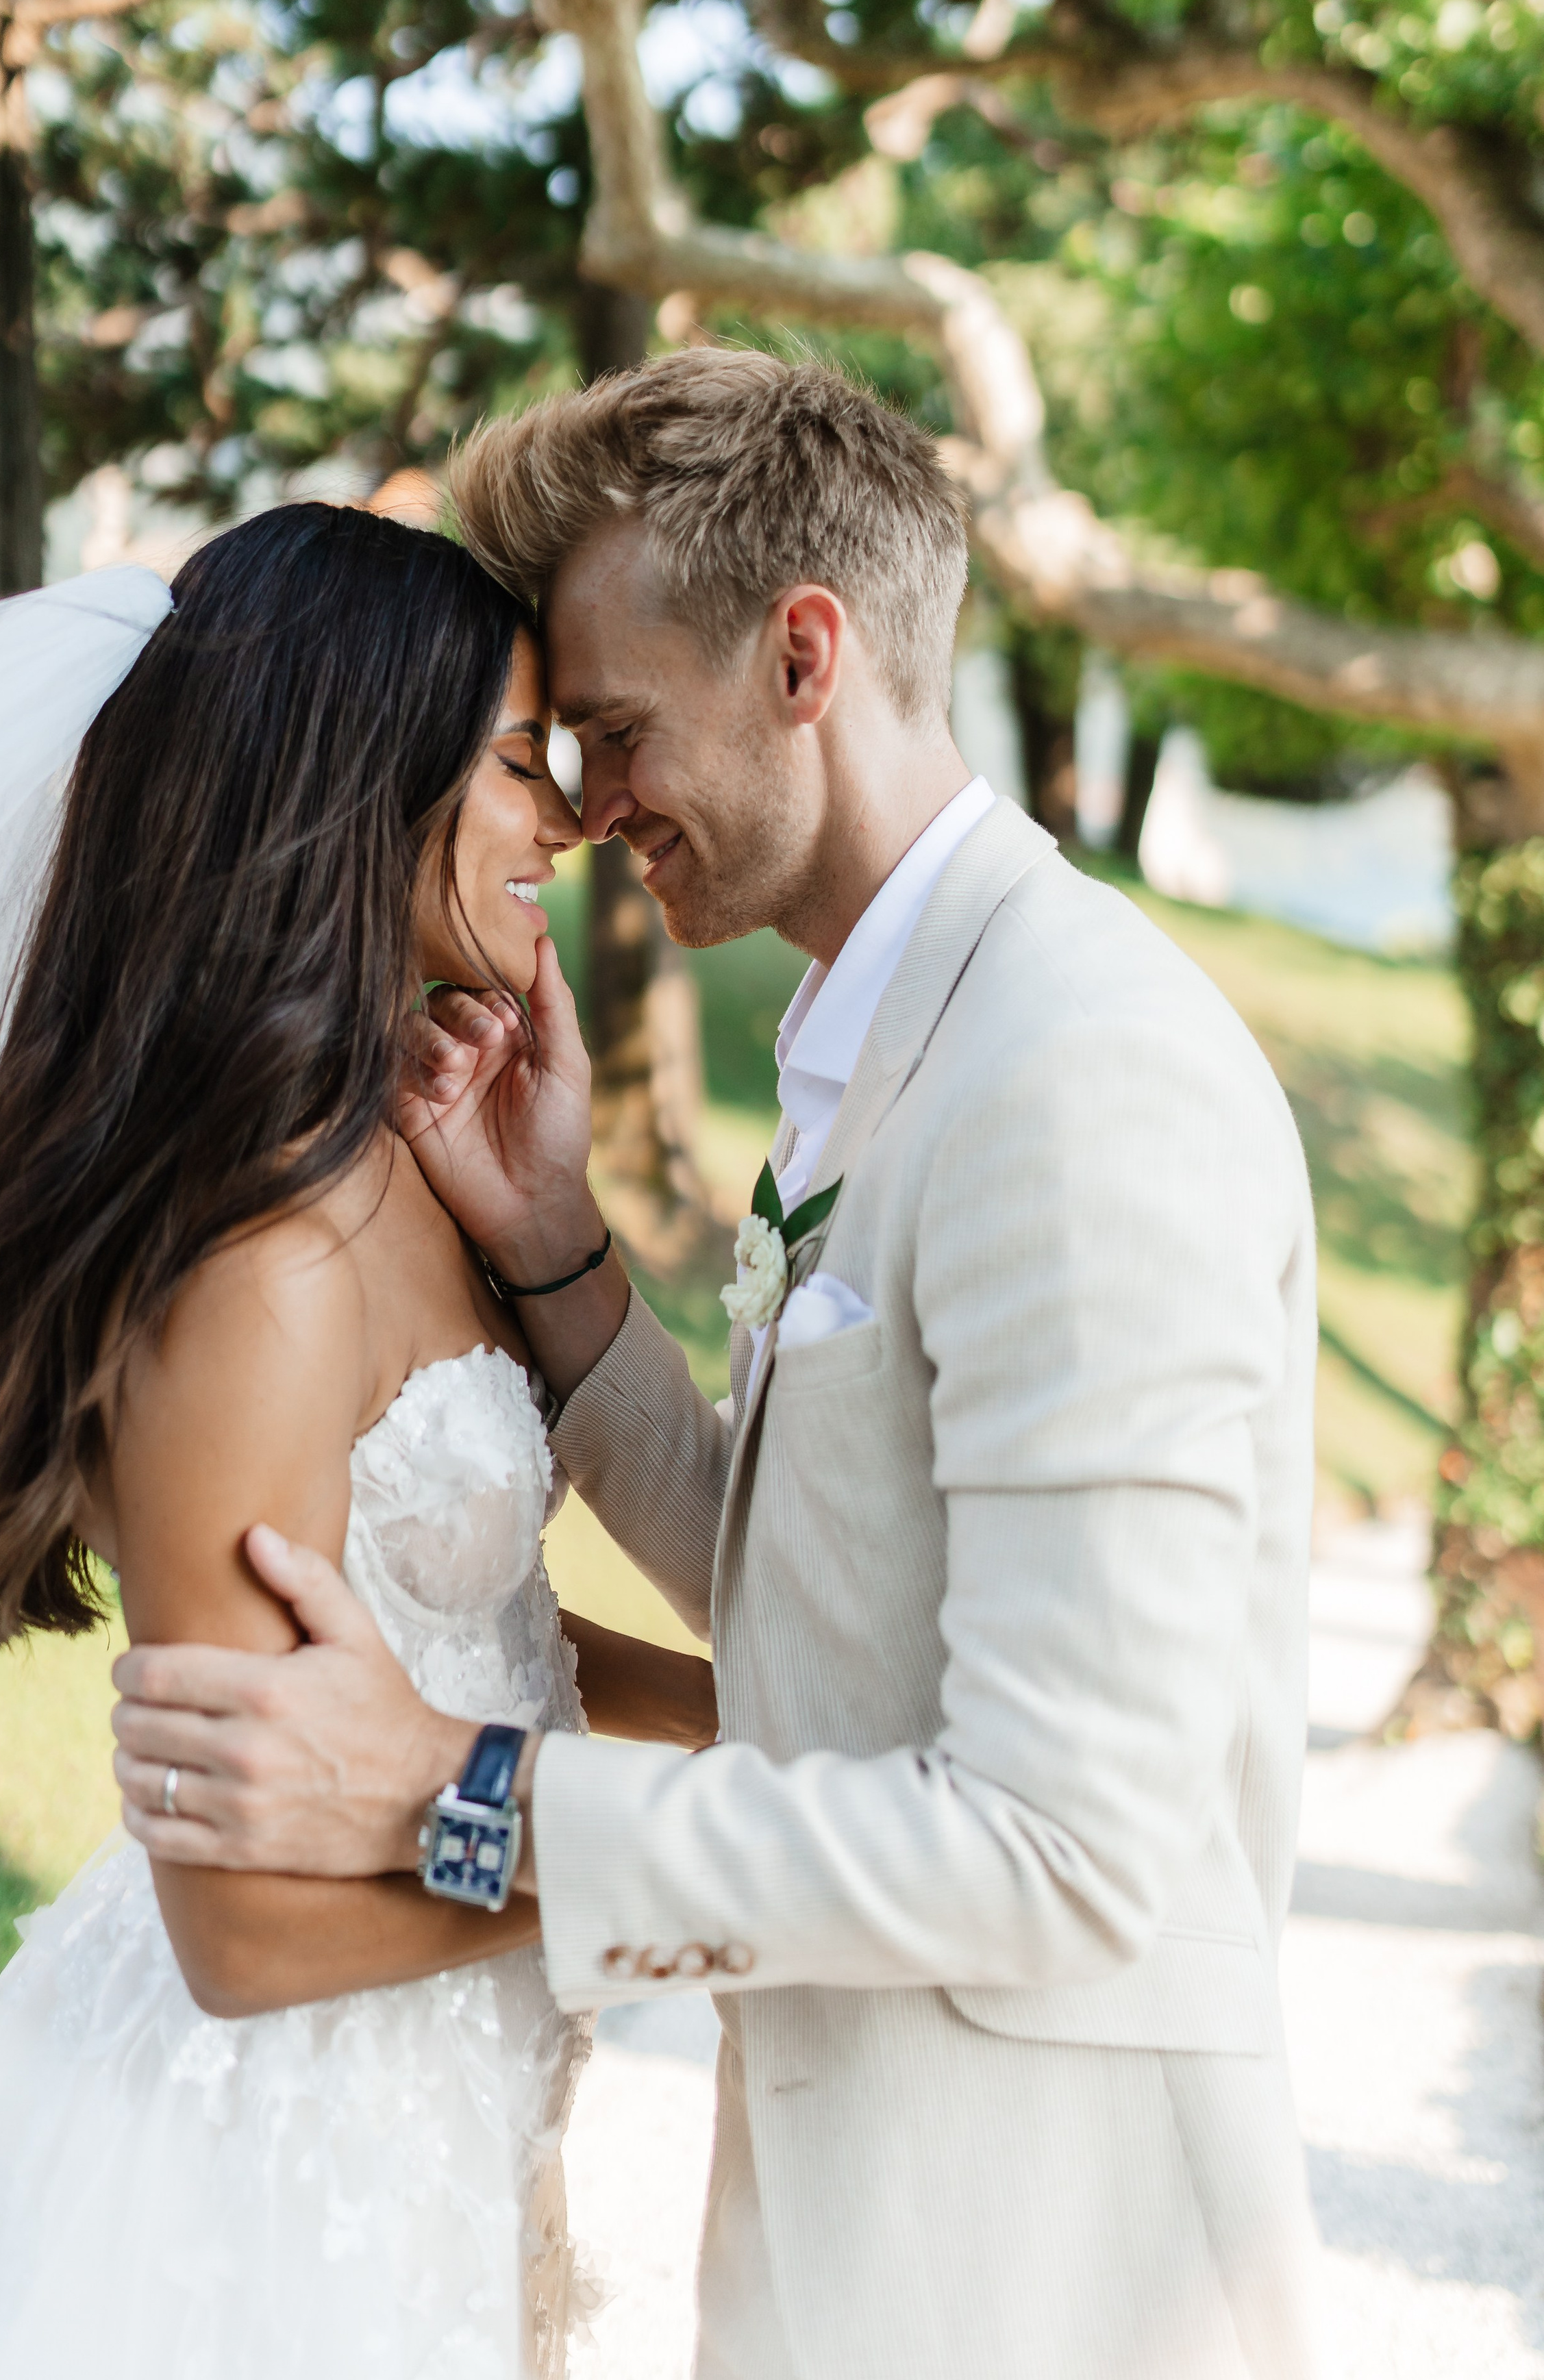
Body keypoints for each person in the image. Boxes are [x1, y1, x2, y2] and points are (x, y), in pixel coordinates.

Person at [116, 353, 1326, 2380]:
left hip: (1043, 2270)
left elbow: (1069, 1845)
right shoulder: (888, 1051)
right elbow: (841, 1604)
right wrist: (561, 1260)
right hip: (853, 2245)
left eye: (606, 729)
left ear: (802, 655)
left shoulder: (1079, 1072)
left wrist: (459, 1796)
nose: (584, 814)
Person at [0, 502, 714, 2380]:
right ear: (355, 780)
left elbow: (491, 1643)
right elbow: (247, 1931)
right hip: (268, 2167)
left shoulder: (398, 1165)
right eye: (516, 762)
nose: (564, 819)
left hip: (429, 2113)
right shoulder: (261, 1269)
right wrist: (682, 1864)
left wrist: (783, 1718)